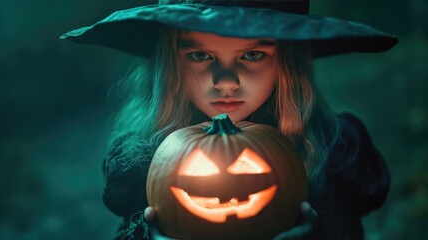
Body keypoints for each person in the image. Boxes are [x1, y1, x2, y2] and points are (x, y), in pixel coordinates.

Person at [61, 0, 397, 239]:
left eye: (252, 55)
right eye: (200, 55)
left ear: (287, 63)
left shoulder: (331, 145)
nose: (225, 80)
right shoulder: (146, 155)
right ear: (173, 65)